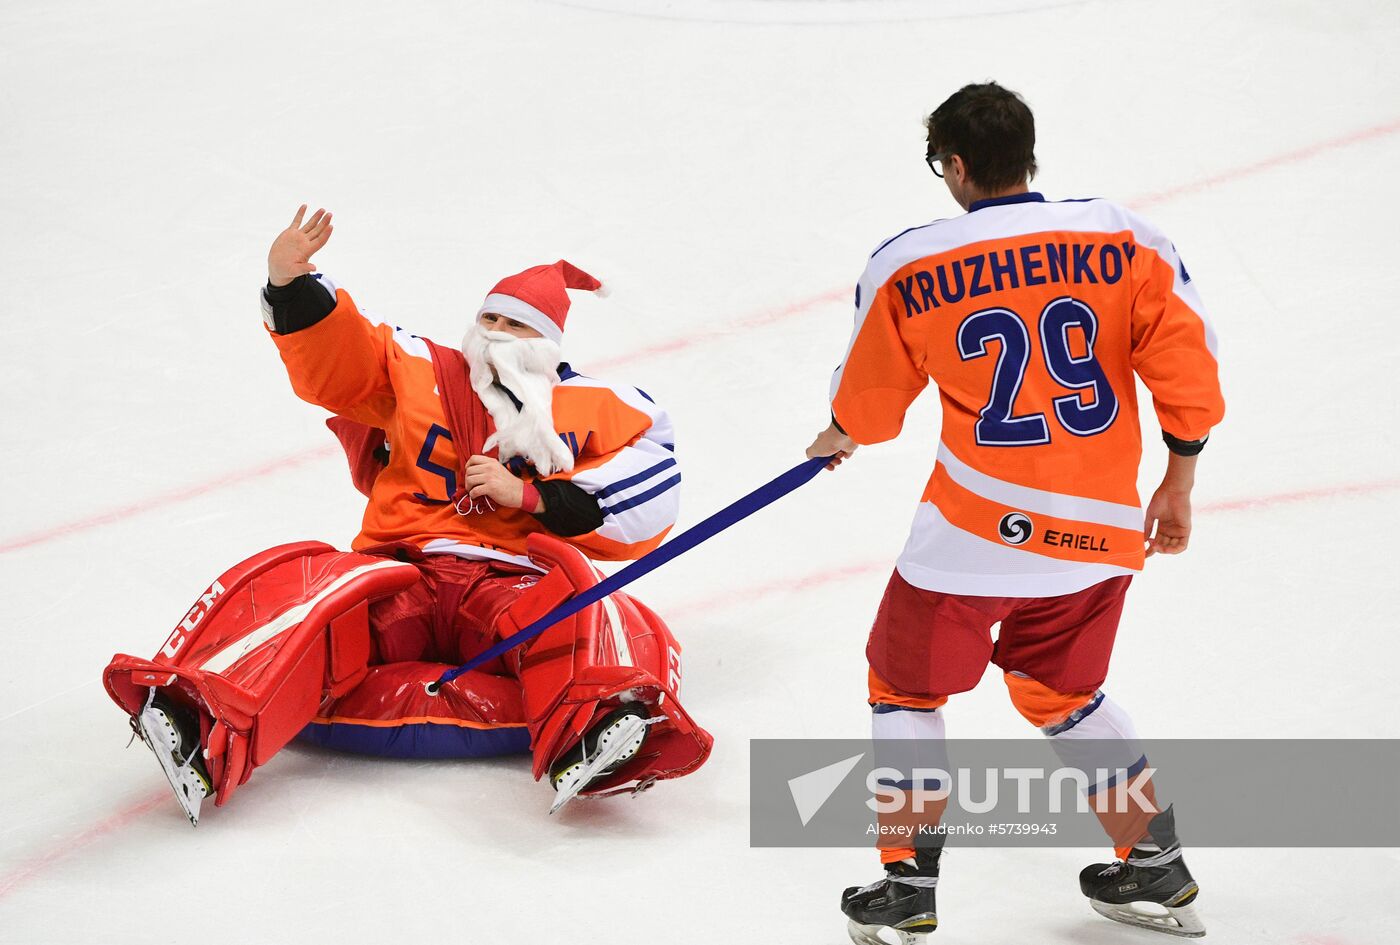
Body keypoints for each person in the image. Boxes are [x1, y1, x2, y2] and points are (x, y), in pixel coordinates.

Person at [104, 206, 709, 824]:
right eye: (489, 318)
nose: (496, 333)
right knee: (312, 591)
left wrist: (530, 497)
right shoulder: (419, 366)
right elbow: (347, 361)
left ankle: (602, 731)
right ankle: (198, 720)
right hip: (404, 567)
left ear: (549, 343)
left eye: (516, 325)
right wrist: (292, 287)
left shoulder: (601, 405)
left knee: (590, 606)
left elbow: (649, 489)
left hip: (509, 580)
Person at [806, 83, 1224, 942]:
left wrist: (840, 433)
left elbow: (875, 407)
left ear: (955, 166)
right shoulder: (1122, 236)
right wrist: (1178, 479)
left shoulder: (911, 261)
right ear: (1027, 155)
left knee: (905, 688)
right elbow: (1188, 366)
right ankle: (1153, 860)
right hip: (1098, 532)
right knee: (1065, 690)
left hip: (970, 533)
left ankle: (907, 884)